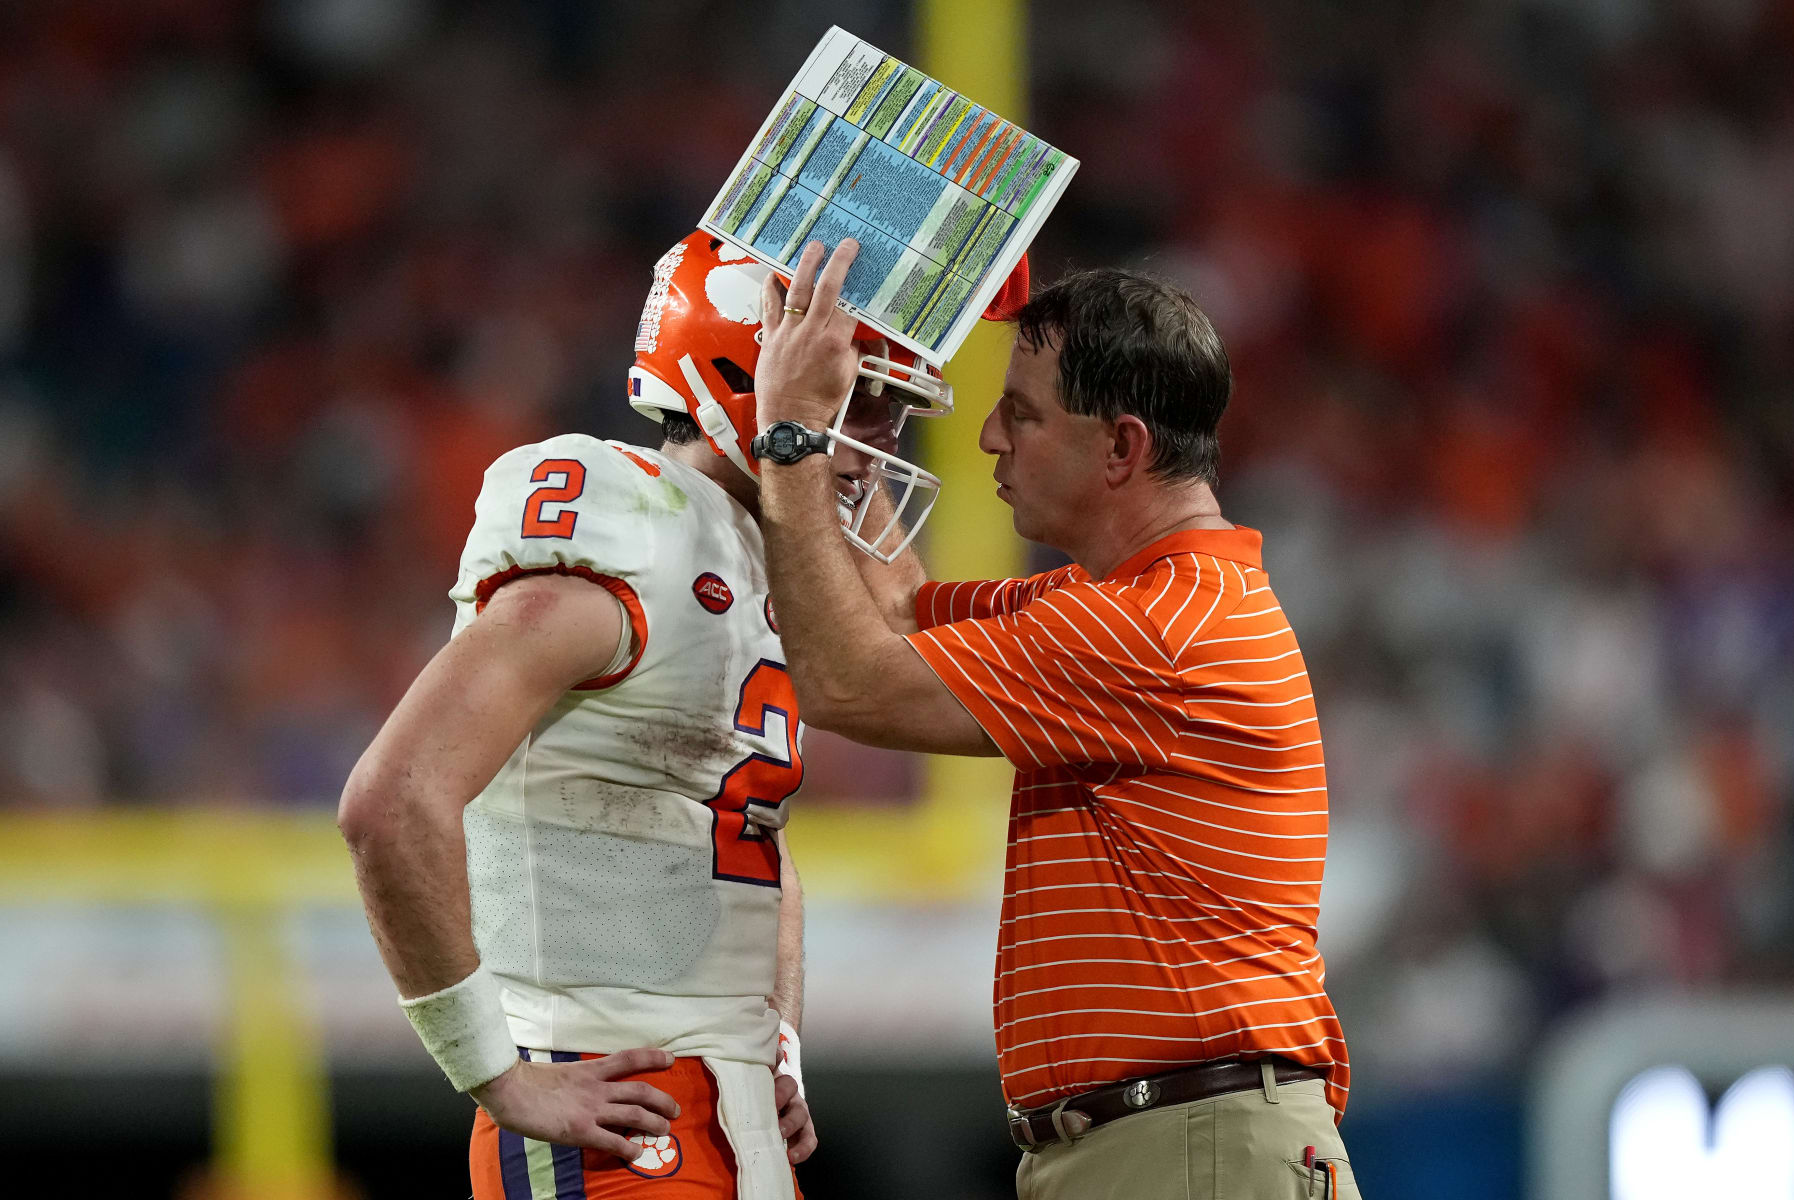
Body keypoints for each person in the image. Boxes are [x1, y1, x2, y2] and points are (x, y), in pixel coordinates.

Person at [337, 231, 952, 1200]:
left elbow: (748, 836)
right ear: (742, 377)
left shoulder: (759, 557)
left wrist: (775, 1041)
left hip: (730, 1115)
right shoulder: (641, 533)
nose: (879, 442)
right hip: (615, 1108)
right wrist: (495, 1072)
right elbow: (391, 798)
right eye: (859, 397)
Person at [750, 239, 1361, 1200]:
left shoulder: (1150, 630)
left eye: (1022, 415)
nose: (989, 436)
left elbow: (846, 684)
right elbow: (904, 614)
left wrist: (793, 438)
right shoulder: (1131, 606)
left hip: (1187, 1148)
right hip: (1172, 1141)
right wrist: (858, 436)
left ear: (1122, 447)